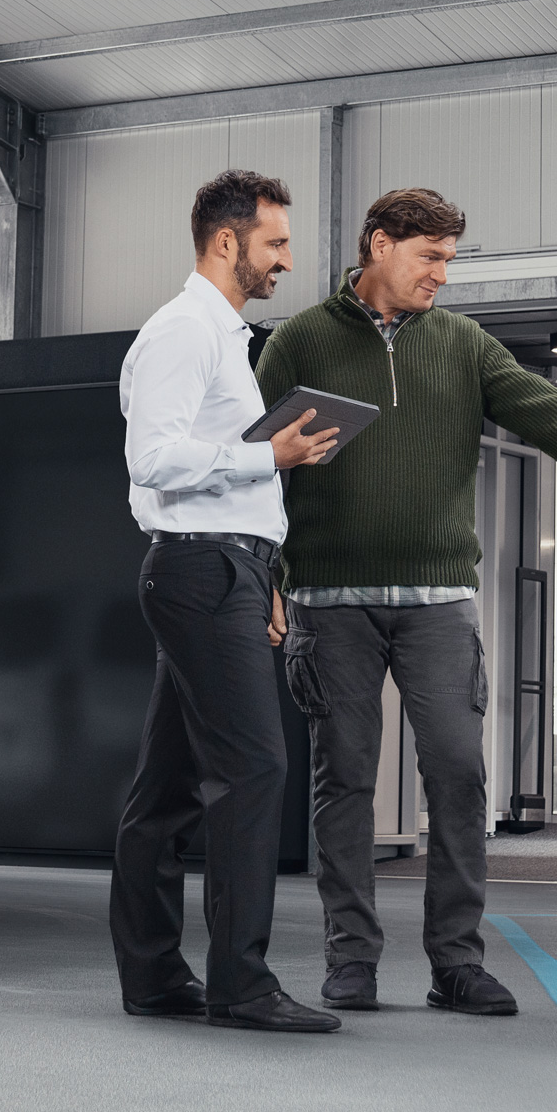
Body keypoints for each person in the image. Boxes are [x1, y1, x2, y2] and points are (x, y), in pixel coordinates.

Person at [258, 187, 557, 1013]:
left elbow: (554, 415)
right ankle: (350, 958)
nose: (442, 275)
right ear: (379, 245)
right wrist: (265, 577)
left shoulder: (463, 344)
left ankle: (456, 962)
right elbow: (246, 466)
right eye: (429, 257)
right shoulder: (299, 342)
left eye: (449, 261)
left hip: (439, 603)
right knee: (344, 781)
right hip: (330, 603)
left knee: (461, 776)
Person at [110, 168, 345, 1033]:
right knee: (254, 768)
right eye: (275, 243)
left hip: (227, 571)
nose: (286, 259)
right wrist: (267, 458)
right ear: (226, 242)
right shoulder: (184, 332)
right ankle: (240, 985)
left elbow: (215, 474)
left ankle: (151, 976)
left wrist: (266, 572)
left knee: (166, 789)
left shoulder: (224, 339)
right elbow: (154, 460)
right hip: (201, 572)